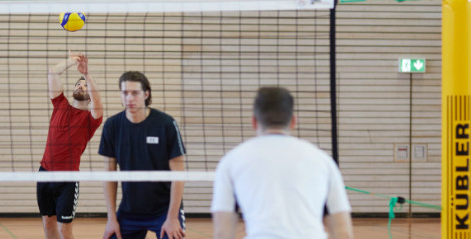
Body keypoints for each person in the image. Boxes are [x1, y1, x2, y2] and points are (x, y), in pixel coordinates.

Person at [210, 87, 353, 239]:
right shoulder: (323, 161)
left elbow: (222, 233)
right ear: (293, 121)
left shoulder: (231, 161)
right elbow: (343, 233)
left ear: (254, 121)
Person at [99, 71, 186, 239]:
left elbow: (179, 173)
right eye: (125, 93)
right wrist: (111, 218)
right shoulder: (112, 126)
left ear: (146, 94)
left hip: (164, 210)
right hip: (129, 211)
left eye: (135, 93)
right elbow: (109, 174)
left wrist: (172, 217)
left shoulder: (166, 124)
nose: (129, 98)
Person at [38, 51, 103, 239]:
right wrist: (71, 61)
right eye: (78, 84)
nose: (81, 87)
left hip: (67, 179)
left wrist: (87, 74)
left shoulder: (91, 119)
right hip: (44, 173)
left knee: (64, 229)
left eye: (84, 86)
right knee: (47, 224)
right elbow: (52, 73)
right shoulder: (60, 104)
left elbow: (98, 101)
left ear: (89, 96)